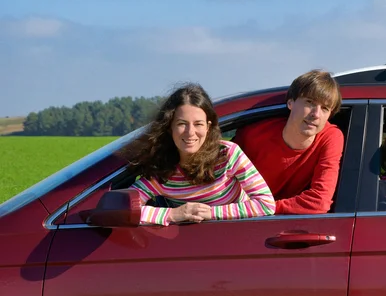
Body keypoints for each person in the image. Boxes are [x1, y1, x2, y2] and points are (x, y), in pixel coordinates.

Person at [120, 83, 276, 226]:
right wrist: (174, 214)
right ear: (170, 127)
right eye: (182, 124)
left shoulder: (227, 154)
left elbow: (266, 204)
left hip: (235, 241)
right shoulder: (160, 168)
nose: (190, 133)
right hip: (188, 247)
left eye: (198, 124)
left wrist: (210, 213)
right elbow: (125, 209)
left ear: (208, 127)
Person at [234, 69, 344, 215]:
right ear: (290, 103)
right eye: (310, 103)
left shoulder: (330, 137)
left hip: (274, 222)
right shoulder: (253, 135)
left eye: (325, 108)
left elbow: (319, 202)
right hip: (241, 219)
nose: (316, 114)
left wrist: (263, 209)